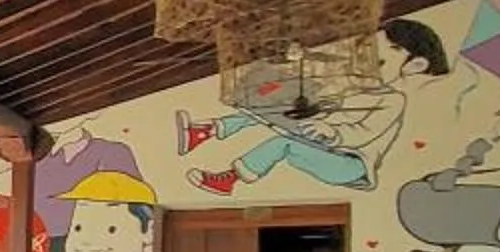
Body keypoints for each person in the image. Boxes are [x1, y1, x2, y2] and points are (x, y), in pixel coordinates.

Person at [176, 21, 449, 192]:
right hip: (327, 145)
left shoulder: (392, 100)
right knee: (278, 111)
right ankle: (206, 131)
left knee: (282, 144)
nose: (365, 64)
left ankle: (230, 180)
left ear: (414, 65)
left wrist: (332, 132)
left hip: (350, 164)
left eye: (378, 61)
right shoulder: (354, 88)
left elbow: (364, 132)